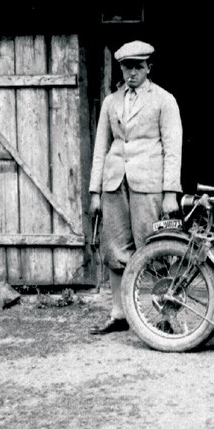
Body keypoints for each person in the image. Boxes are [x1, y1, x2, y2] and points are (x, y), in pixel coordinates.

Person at [88, 40, 183, 335]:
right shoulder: (111, 102)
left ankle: (167, 315)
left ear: (148, 68)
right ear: (121, 68)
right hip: (115, 183)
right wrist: (95, 191)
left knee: (156, 247)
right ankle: (119, 314)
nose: (132, 73)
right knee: (115, 248)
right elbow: (101, 147)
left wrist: (170, 192)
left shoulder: (164, 100)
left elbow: (173, 147)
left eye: (138, 67)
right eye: (127, 67)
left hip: (150, 185)